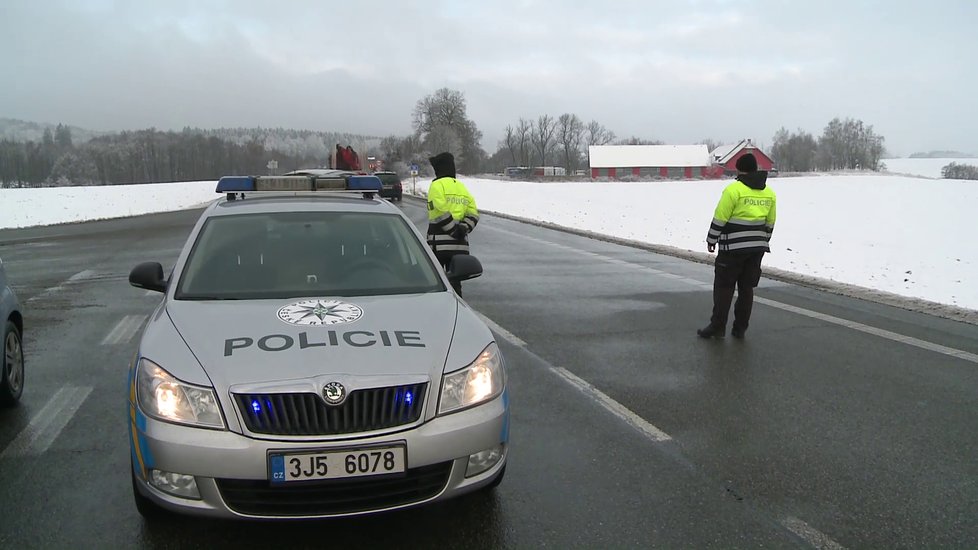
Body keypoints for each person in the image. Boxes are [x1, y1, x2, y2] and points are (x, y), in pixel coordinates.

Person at [697, 153, 777, 339]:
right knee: (746, 288)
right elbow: (770, 222)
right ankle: (740, 329)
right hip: (757, 248)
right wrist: (762, 240)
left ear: (739, 169)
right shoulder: (769, 193)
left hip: (732, 249)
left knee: (724, 287)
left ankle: (717, 327)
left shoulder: (734, 190)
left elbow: (720, 217)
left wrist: (712, 239)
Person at [426, 152, 479, 296]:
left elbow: (439, 211)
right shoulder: (461, 187)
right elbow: (473, 213)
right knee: (456, 285)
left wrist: (452, 230)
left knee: (437, 284)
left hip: (439, 245)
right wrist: (463, 228)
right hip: (460, 246)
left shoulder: (436, 185)